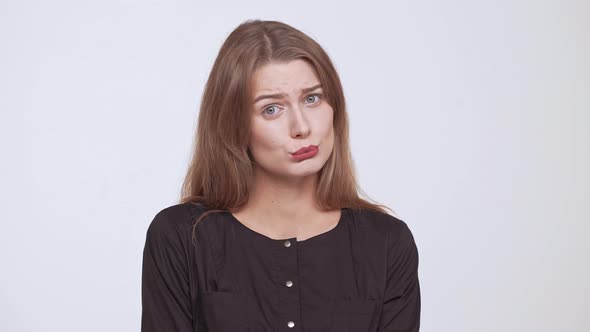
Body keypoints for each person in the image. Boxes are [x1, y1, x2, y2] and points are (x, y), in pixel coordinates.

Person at [141, 19, 421, 331]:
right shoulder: (181, 238)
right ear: (233, 126)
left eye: (312, 98)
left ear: (335, 108)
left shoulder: (385, 243)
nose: (301, 127)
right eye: (272, 109)